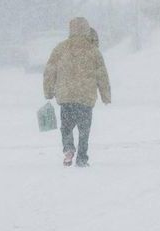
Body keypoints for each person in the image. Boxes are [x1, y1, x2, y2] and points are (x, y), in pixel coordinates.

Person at [43, 17, 111, 167]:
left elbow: (49, 71)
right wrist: (105, 95)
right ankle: (82, 157)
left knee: (66, 126)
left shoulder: (60, 48)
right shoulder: (93, 51)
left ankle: (68, 149)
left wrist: (48, 91)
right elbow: (102, 75)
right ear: (87, 30)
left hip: (66, 97)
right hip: (85, 98)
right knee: (84, 130)